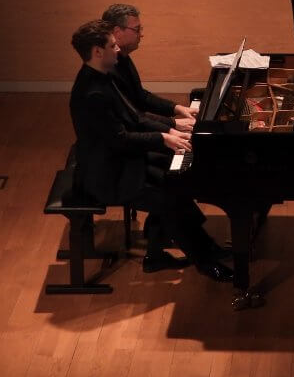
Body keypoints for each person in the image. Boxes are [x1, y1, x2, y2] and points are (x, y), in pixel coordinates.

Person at [68, 19, 231, 282]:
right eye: (112, 46)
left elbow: (134, 117)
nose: (118, 50)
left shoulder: (103, 77)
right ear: (97, 51)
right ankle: (204, 261)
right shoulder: (92, 93)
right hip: (109, 175)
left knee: (176, 180)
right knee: (169, 198)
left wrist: (170, 132)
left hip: (121, 161)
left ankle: (162, 254)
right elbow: (120, 139)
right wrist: (163, 138)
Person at [101, 3, 196, 132]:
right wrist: (172, 124)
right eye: (137, 29)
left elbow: (141, 97)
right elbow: (131, 115)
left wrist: (177, 108)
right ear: (117, 32)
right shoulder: (108, 68)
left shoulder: (123, 57)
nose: (141, 34)